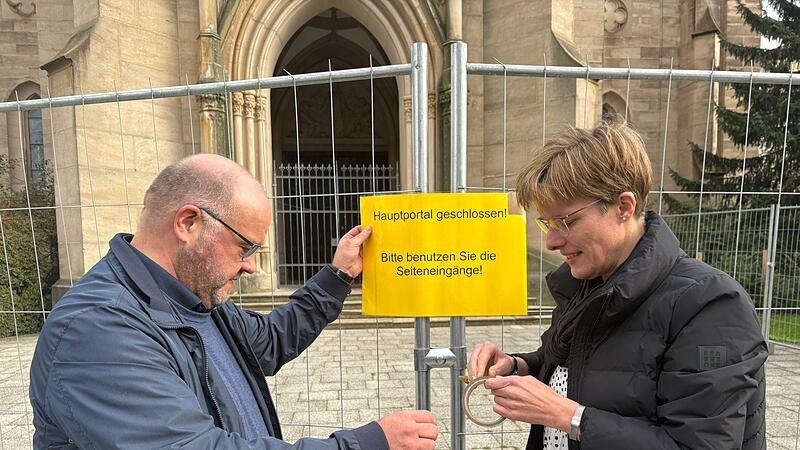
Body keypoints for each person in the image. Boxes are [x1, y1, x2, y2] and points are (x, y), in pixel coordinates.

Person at [29, 154, 439, 449]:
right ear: (188, 223)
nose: (251, 267)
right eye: (244, 247)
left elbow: (269, 339)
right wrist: (366, 444)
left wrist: (339, 276)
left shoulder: (193, 299)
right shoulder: (98, 329)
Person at [468, 122, 767, 450]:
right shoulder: (587, 284)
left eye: (566, 221)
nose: (551, 241)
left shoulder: (710, 305)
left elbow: (701, 445)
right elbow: (580, 369)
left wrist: (570, 417)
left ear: (624, 207)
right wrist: (518, 366)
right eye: (547, 223)